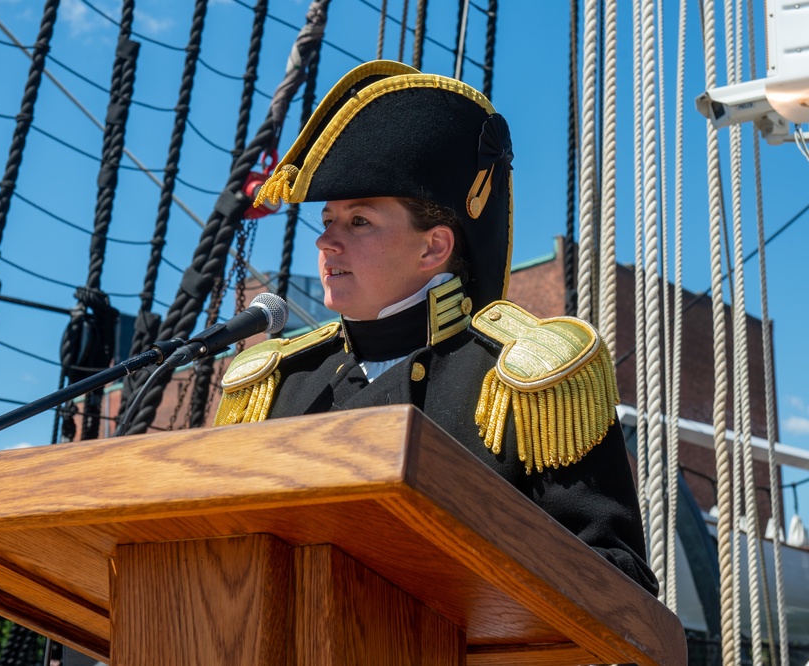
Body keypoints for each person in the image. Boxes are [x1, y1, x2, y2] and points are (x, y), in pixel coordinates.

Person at [213, 60, 658, 594]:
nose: (326, 242)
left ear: (434, 246)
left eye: (359, 221)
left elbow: (618, 582)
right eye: (328, 220)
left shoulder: (529, 378)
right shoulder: (278, 384)